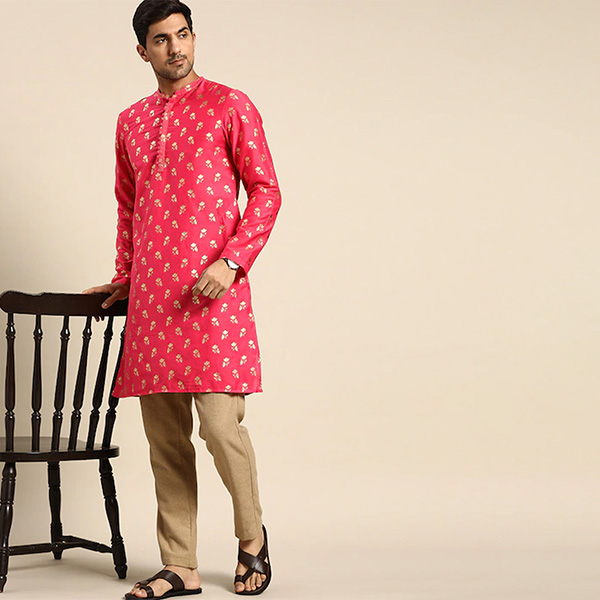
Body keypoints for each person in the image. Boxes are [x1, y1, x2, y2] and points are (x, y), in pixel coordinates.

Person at [84, 0, 281, 597]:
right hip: (152, 301)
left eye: (183, 35)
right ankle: (180, 565)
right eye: (162, 40)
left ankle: (252, 539)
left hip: (211, 294)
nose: (176, 48)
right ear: (142, 50)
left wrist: (232, 260)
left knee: (221, 430)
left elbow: (266, 191)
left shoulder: (229, 104)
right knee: (165, 442)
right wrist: (126, 275)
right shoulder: (131, 121)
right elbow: (129, 207)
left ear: (193, 38)